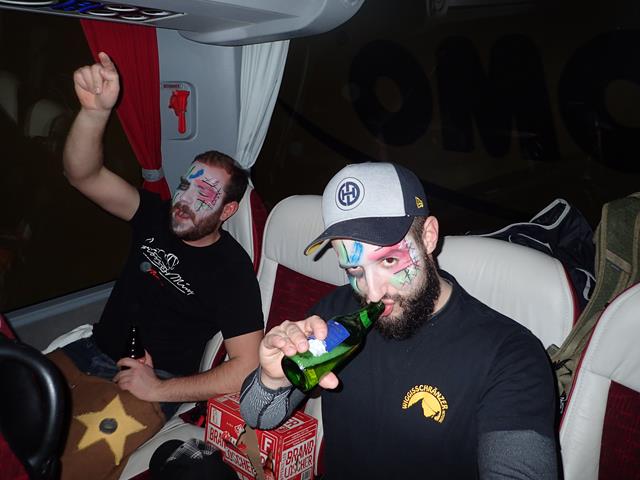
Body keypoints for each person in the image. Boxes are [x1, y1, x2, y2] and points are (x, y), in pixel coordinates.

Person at [239, 162, 559, 478]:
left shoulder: (510, 355)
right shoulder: (334, 317)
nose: (373, 292)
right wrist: (273, 379)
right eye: (354, 269)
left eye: (389, 260)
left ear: (429, 236)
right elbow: (259, 417)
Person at [60, 52, 264, 419]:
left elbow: (247, 365)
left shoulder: (231, 269)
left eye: (203, 196)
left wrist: (158, 388)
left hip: (152, 383)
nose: (184, 201)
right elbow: (83, 176)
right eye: (185, 186)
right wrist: (94, 113)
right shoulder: (155, 214)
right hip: (89, 351)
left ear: (227, 211)